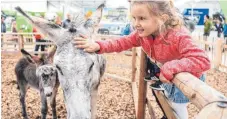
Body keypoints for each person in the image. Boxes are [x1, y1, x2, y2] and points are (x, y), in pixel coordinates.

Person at [74, 0, 210, 119]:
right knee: (167, 101)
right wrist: (98, 45)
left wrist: (171, 66)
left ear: (162, 18)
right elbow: (121, 43)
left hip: (187, 77)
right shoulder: (142, 35)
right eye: (134, 18)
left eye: (142, 18)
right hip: (169, 76)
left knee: (177, 107)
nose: (136, 24)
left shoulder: (178, 36)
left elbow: (203, 60)